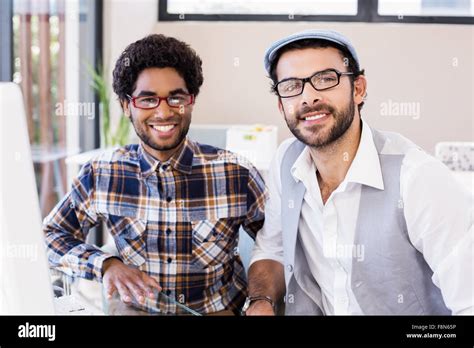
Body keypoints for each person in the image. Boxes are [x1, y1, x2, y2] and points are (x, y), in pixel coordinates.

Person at [244, 29, 473, 315]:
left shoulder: (417, 178)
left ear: (358, 89)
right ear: (281, 105)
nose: (308, 97)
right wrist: (261, 301)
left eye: (326, 79)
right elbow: (272, 251)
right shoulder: (285, 162)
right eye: (291, 86)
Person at [43, 34, 266, 315]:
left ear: (191, 100)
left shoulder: (236, 174)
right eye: (147, 99)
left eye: (176, 97)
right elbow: (52, 234)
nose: (163, 111)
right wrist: (106, 264)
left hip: (216, 310)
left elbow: (277, 245)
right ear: (127, 106)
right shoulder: (102, 174)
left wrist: (262, 300)